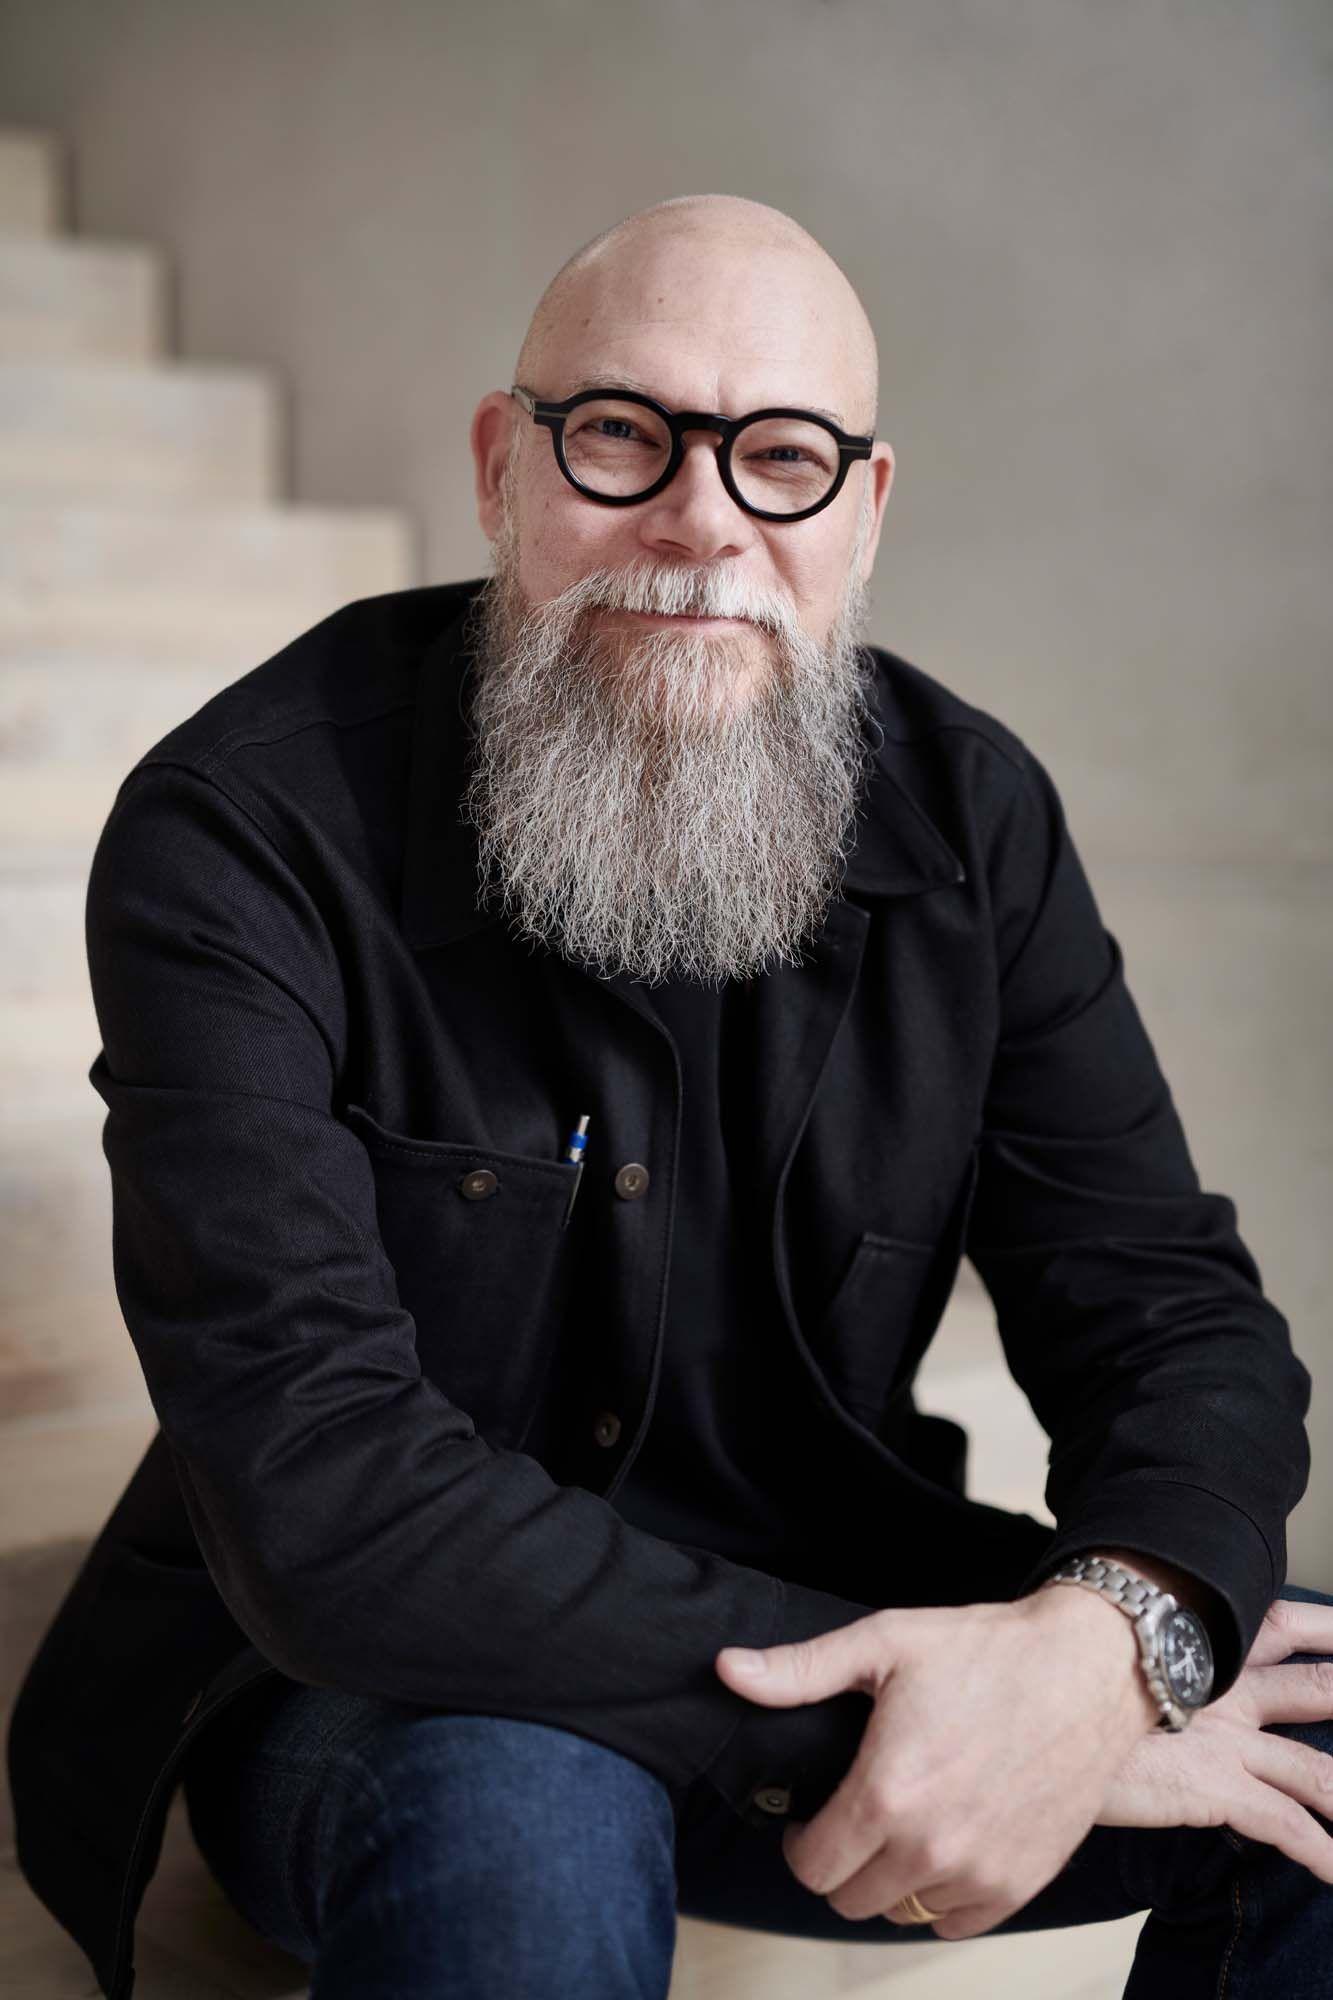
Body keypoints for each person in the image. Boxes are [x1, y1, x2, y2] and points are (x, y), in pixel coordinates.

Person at [6, 193, 1330, 2000]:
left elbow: (1169, 1314)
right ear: (501, 466)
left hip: (832, 1593)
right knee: (519, 1786)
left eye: (780, 456)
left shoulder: (971, 817)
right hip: (367, 1675)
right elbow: (330, 1497)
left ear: (862, 512)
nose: (702, 517)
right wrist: (899, 1683)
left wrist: (1102, 1651)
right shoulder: (244, 828)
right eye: (622, 433)